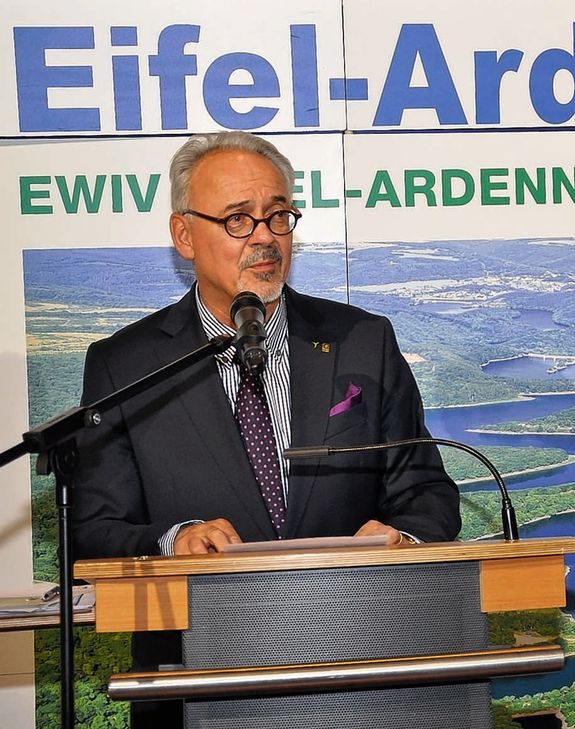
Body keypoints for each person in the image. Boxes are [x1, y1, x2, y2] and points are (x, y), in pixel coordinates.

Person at [70, 131, 460, 725]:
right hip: (198, 677)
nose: (264, 237)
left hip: (361, 664)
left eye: (278, 215)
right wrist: (174, 541)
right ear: (184, 236)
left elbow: (427, 493)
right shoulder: (126, 366)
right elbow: (93, 530)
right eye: (237, 219)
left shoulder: (363, 341)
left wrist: (402, 541)